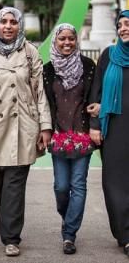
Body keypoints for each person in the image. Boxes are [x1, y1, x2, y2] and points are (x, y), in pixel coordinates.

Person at [0, 7, 52, 257]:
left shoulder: (30, 52)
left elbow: (39, 90)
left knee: (15, 182)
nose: (8, 26)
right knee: (0, 182)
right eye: (3, 22)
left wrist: (45, 126)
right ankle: (8, 226)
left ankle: (11, 237)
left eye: (13, 22)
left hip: (24, 124)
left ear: (20, 25)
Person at [43, 23, 96, 255]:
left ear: (76, 41)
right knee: (61, 187)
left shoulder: (88, 66)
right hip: (59, 136)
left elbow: (95, 98)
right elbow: (43, 103)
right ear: (55, 41)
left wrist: (94, 126)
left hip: (83, 135)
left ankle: (69, 234)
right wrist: (43, 130)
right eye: (62, 39)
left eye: (71, 39)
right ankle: (68, 217)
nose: (66, 43)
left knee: (79, 185)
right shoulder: (48, 69)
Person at [89, 9, 129, 258]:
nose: (124, 28)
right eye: (121, 25)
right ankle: (125, 234)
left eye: (128, 24)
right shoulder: (109, 56)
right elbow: (96, 92)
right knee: (115, 182)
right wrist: (94, 124)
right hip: (114, 129)